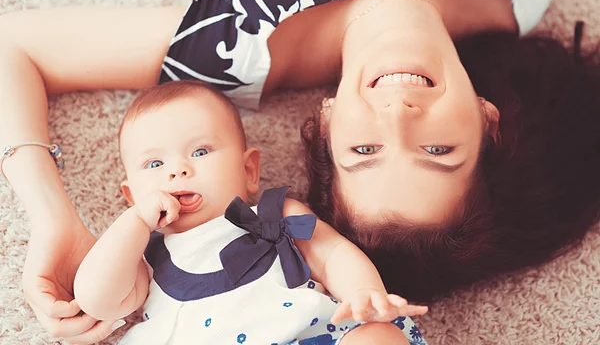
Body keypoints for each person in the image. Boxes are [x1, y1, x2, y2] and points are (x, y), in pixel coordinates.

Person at [0, 0, 598, 343]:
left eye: (363, 152)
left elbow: (12, 47)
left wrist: (53, 218)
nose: (397, 116)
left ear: (327, 120)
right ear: (487, 121)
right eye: (438, 151)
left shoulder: (230, 49)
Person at [73, 80, 428, 344]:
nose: (177, 170)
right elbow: (99, 301)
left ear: (249, 171)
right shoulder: (143, 254)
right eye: (154, 162)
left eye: (200, 152)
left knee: (377, 337)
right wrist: (132, 224)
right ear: (131, 194)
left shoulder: (275, 214)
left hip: (302, 335)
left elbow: (332, 253)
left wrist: (362, 292)